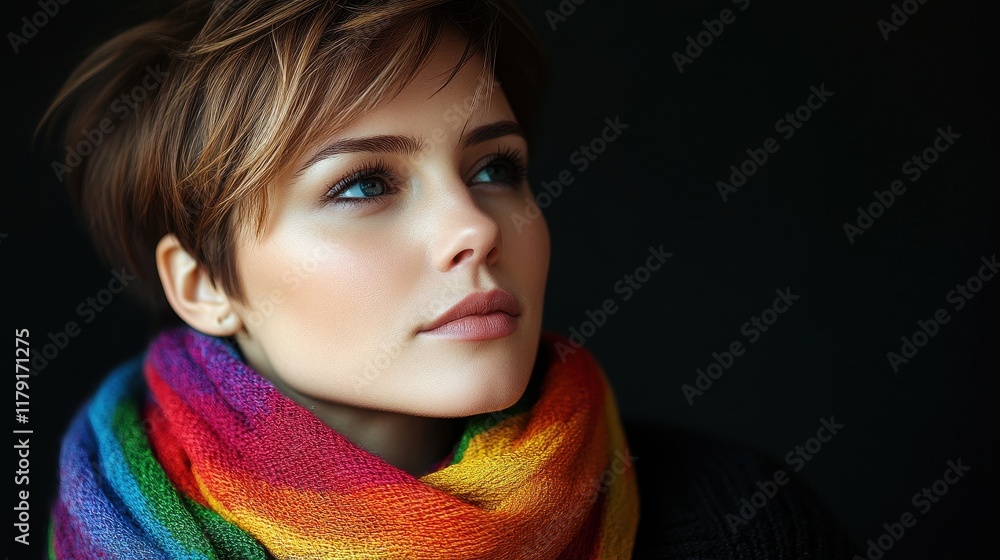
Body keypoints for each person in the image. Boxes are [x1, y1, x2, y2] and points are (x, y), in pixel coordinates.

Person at [41, 0, 859, 557]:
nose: (474, 225)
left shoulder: (738, 522)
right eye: (364, 183)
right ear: (201, 288)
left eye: (496, 167)